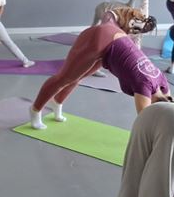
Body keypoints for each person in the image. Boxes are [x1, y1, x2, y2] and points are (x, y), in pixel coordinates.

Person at [28, 7, 157, 129]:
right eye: (139, 28)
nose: (137, 31)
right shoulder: (119, 19)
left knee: (78, 78)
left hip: (108, 49)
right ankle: (35, 109)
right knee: (65, 78)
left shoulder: (126, 30)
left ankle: (57, 103)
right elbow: (109, 16)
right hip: (97, 41)